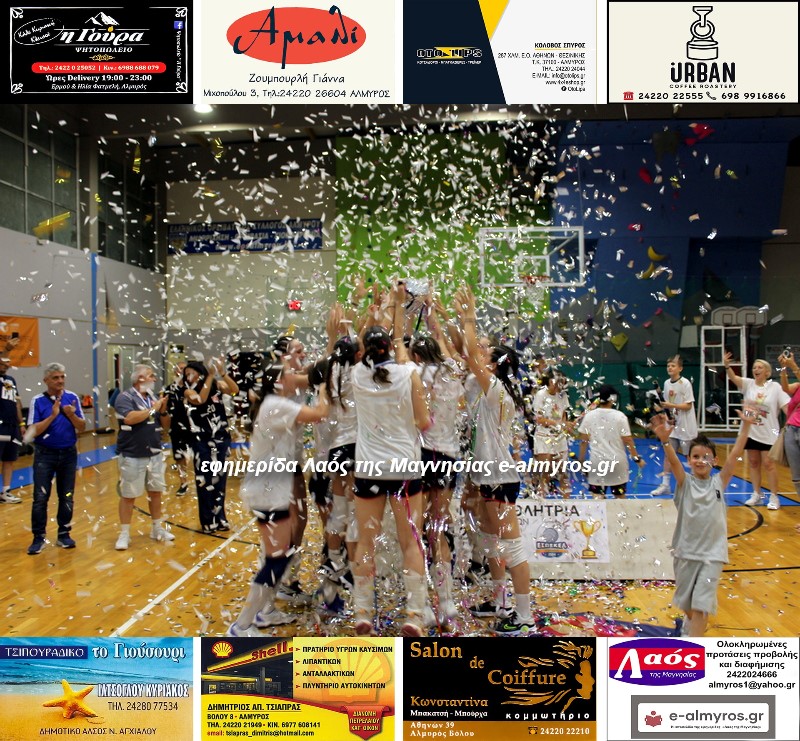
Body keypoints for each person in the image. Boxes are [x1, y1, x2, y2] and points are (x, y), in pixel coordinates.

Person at [350, 284, 432, 637]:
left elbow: (361, 346)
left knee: (365, 542)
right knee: (410, 541)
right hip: (404, 468)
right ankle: (414, 615)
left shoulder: (356, 375)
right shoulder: (408, 373)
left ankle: (362, 613)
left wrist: (374, 309)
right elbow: (424, 421)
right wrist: (398, 306)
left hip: (368, 468)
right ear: (391, 346)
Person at [227, 364, 330, 636]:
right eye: (288, 373)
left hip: (272, 489)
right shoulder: (276, 405)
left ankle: (263, 613)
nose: (295, 375)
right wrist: (324, 385)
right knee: (276, 559)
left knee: (280, 557)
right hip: (266, 491)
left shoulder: (277, 403)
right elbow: (320, 413)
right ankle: (242, 625)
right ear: (279, 382)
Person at [454, 284, 534, 634]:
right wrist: (444, 319)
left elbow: (470, 355)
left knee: (512, 547)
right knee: (490, 542)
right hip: (485, 476)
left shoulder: (496, 389)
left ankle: (525, 617)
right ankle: (501, 603)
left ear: (495, 365)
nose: (480, 353)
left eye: (487, 352)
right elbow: (464, 353)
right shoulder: (482, 388)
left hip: (500, 477)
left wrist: (469, 317)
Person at [651, 410, 753, 636]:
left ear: (715, 461)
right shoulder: (684, 483)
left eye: (706, 457)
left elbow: (735, 455)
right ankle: (690, 625)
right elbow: (673, 462)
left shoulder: (718, 483)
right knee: (686, 604)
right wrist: (665, 441)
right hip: (685, 553)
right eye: (695, 456)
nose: (700, 460)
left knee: (701, 607)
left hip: (712, 555)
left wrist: (746, 426)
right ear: (689, 460)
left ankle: (694, 648)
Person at [25, 362, 86, 554]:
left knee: (67, 496)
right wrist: (52, 416)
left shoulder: (72, 398)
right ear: (46, 380)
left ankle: (64, 534)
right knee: (40, 497)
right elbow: (33, 431)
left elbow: (82, 426)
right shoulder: (37, 400)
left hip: (68, 454)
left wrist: (71, 415)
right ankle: (38, 537)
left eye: (62, 377)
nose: (60, 381)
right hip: (45, 455)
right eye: (55, 378)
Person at [113, 364, 175, 550]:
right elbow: (130, 418)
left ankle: (157, 528)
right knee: (128, 495)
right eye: (151, 375)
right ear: (140, 378)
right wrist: (153, 409)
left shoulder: (152, 398)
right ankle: (124, 534)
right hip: (133, 454)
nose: (154, 379)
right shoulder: (125, 397)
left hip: (155, 453)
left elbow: (165, 425)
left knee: (155, 492)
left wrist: (163, 410)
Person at [724, 352, 790, 510]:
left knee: (769, 464)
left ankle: (774, 497)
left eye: (760, 367)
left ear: (767, 372)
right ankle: (757, 494)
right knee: (753, 463)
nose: (756, 369)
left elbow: (787, 407)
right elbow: (733, 378)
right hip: (750, 431)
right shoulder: (748, 384)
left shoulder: (775, 387)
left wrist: (793, 421)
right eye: (754, 367)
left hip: (769, 432)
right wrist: (727, 366)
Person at [184, 358, 239, 533]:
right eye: (186, 374)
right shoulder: (188, 391)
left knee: (219, 480)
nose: (189, 376)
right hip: (201, 440)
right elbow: (200, 399)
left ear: (199, 373)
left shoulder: (217, 384)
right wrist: (210, 376)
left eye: (192, 373)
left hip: (221, 438)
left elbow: (235, 391)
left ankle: (220, 516)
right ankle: (208, 519)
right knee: (205, 480)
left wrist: (222, 373)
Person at [578, 384, 645, 498]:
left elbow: (583, 441)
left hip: (597, 464)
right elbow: (628, 440)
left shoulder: (589, 416)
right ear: (613, 398)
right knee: (620, 499)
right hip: (618, 464)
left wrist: (581, 461)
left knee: (597, 500)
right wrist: (637, 459)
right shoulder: (620, 416)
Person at [652, 355, 698, 495]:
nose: (670, 368)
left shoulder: (685, 383)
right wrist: (667, 416)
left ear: (680, 368)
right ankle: (665, 485)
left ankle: (694, 485)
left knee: (690, 457)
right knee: (668, 454)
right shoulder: (667, 383)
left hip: (686, 426)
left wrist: (671, 406)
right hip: (673, 426)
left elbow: (688, 405)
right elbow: (667, 405)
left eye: (673, 365)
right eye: (668, 366)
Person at [533, 367, 572, 497]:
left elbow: (564, 416)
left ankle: (567, 504)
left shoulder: (563, 395)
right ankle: (541, 501)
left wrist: (566, 426)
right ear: (551, 381)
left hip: (559, 438)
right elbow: (539, 419)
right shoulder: (540, 395)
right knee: (546, 472)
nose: (562, 385)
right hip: (543, 437)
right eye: (560, 382)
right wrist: (558, 424)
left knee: (562, 473)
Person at [0, 356, 25, 503]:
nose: (5, 365)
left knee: (9, 459)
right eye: (2, 362)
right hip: (0, 426)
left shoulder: (11, 380)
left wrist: (21, 424)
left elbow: (16, 403)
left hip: (12, 427)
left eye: (8, 362)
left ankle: (5, 491)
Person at [165, 361, 191, 496]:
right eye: (180, 368)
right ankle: (183, 483)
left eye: (185, 369)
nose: (183, 371)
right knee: (179, 456)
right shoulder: (169, 389)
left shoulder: (194, 387)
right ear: (176, 371)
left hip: (194, 426)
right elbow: (165, 409)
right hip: (177, 427)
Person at [777, 351, 800, 497]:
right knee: (796, 474)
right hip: (791, 429)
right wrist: (784, 368)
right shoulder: (798, 385)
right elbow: (785, 388)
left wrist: (793, 365)